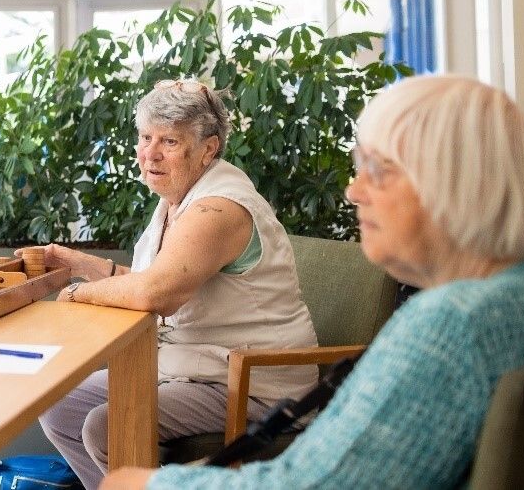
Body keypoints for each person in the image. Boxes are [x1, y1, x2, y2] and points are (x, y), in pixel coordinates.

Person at [102, 75, 524, 489]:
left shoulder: (454, 324)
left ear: (458, 184)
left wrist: (150, 484)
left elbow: (318, 485)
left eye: (378, 170)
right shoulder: (519, 299)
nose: (354, 191)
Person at [31, 78, 318, 489]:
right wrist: (79, 264)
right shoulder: (177, 199)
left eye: (169, 141)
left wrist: (75, 293)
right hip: (192, 368)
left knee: (107, 425)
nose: (150, 153)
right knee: (61, 406)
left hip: (251, 382)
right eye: (145, 137)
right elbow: (152, 282)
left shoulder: (219, 208)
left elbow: (156, 294)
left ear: (208, 149)